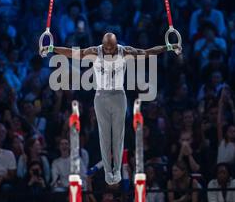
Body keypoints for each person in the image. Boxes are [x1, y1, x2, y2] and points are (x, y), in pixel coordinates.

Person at [49, 32, 181, 185]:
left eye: (112, 48)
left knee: (118, 135)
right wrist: (52, 48)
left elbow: (147, 52)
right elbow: (71, 53)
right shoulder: (95, 52)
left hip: (118, 95)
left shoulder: (124, 51)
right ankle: (107, 170)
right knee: (104, 135)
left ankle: (117, 170)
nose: (110, 51)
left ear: (116, 45)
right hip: (101, 96)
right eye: (107, 48)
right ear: (102, 45)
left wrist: (168, 46)